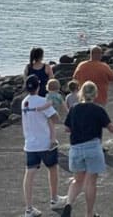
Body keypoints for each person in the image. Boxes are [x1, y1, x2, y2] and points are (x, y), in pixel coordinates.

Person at [61, 81, 113, 217]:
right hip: (92, 146)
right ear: (95, 94)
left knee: (77, 180)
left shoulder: (74, 108)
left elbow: (67, 128)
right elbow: (110, 127)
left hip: (75, 148)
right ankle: (89, 214)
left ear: (82, 93)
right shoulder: (98, 109)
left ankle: (69, 203)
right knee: (91, 182)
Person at [21, 75, 68, 217]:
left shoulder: (24, 102)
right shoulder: (43, 101)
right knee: (52, 169)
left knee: (30, 173)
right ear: (38, 86)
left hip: (30, 143)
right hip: (46, 142)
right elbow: (56, 118)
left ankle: (29, 208)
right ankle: (54, 199)